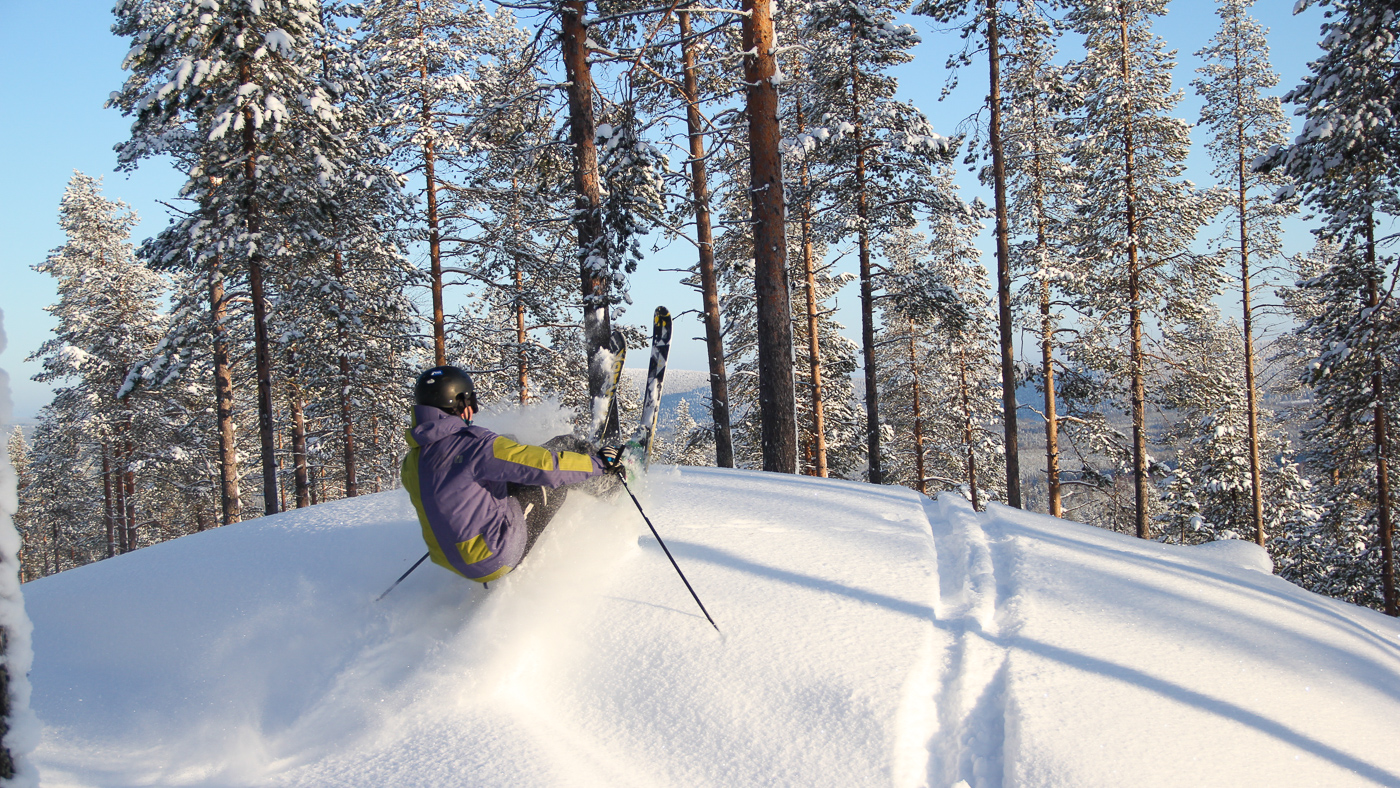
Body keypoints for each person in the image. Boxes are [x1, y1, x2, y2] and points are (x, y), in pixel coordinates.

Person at [402, 366, 624, 584]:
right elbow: (547, 468)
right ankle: (614, 486)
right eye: (471, 401)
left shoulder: (413, 460)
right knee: (562, 452)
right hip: (494, 556)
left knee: (510, 446)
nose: (474, 409)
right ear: (458, 402)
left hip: (453, 559)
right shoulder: (474, 445)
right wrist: (600, 463)